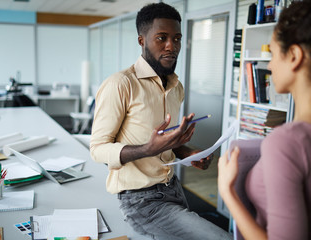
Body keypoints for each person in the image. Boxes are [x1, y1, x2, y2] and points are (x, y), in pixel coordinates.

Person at [90, 2, 232, 240]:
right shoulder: (120, 84)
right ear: (141, 41)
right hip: (141, 201)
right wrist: (148, 149)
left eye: (177, 38)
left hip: (173, 188)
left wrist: (186, 152)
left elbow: (165, 142)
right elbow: (97, 149)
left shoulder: (176, 87)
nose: (171, 46)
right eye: (162, 38)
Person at [218, 2, 311, 240]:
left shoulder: (287, 142)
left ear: (293, 56)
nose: (268, 65)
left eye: (272, 53)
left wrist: (227, 192)